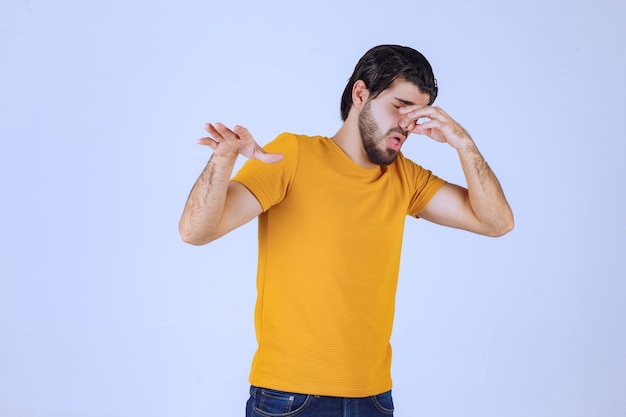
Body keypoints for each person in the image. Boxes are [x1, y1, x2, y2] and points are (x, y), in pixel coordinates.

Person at [179, 44, 514, 417]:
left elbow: (496, 222)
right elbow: (195, 231)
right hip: (290, 398)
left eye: (416, 115)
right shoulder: (291, 156)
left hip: (373, 399)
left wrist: (463, 144)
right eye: (400, 106)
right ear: (361, 94)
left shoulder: (405, 177)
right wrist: (222, 159)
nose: (406, 123)